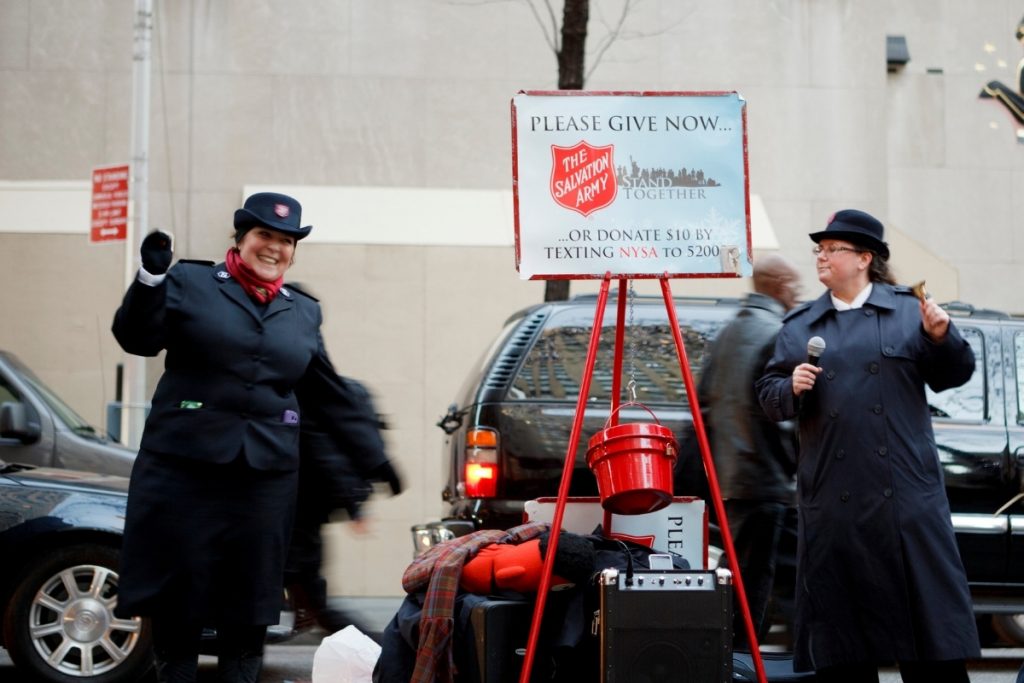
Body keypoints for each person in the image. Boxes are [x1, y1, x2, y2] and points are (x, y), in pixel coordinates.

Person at [112, 192, 349, 683]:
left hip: (264, 480)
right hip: (185, 471)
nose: (274, 248)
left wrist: (362, 464)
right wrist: (151, 277)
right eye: (264, 235)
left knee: (249, 605)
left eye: (286, 241)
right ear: (240, 240)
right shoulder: (190, 282)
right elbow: (137, 338)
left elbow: (327, 392)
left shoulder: (303, 311)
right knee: (179, 602)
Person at [756, 209, 979, 682]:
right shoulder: (800, 324)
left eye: (832, 249)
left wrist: (942, 338)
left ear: (864, 258)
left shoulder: (909, 311)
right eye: (819, 249)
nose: (821, 256)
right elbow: (768, 399)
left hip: (906, 506)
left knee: (929, 645)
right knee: (844, 650)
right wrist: (789, 385)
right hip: (835, 509)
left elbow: (953, 375)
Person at [699, 253, 802, 648]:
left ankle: (733, 652)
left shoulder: (728, 332)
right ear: (778, 285)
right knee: (756, 578)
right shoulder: (777, 332)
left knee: (746, 571)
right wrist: (795, 465)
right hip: (767, 477)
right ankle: (738, 658)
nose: (797, 294)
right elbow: (783, 411)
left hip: (732, 474)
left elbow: (706, 399)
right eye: (794, 286)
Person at [285, 371, 402, 639]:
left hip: (299, 516)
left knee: (314, 600)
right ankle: (381, 649)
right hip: (304, 515)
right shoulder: (332, 396)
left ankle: (383, 651)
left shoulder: (309, 398)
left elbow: (325, 456)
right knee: (312, 598)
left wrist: (354, 507)